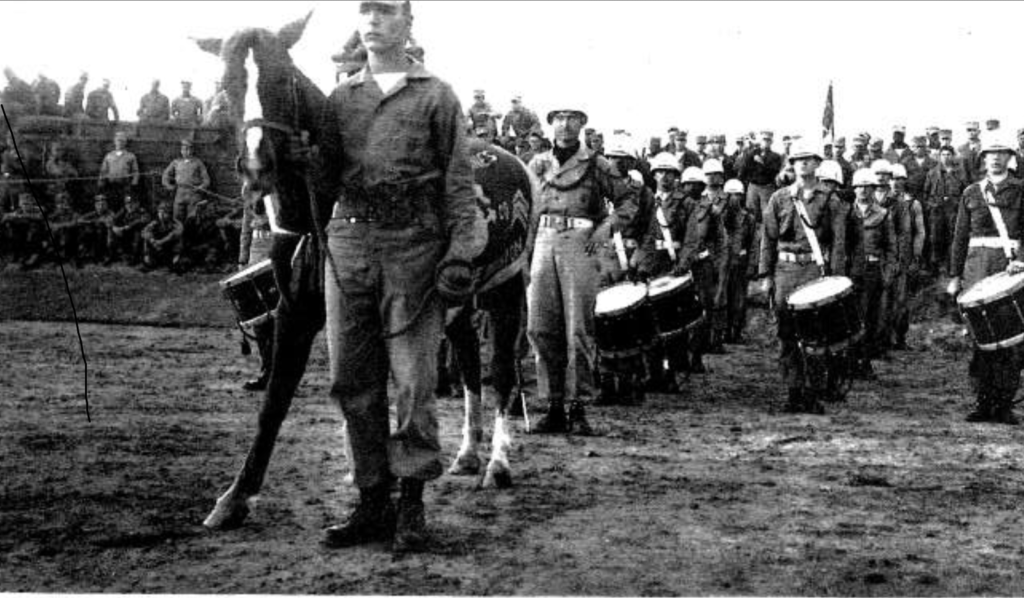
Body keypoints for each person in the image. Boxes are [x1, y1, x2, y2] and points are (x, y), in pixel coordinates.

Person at [317, 0, 487, 554]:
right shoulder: (339, 99)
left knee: (414, 379)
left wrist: (460, 253)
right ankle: (372, 500)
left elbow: (459, 185)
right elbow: (319, 181)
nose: (374, 20)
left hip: (413, 246)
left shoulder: (436, 95)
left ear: (408, 24)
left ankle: (410, 502)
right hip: (348, 245)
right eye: (366, 10)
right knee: (351, 379)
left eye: (387, 10)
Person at [525, 102, 637, 434]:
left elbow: (628, 201)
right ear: (550, 125)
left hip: (580, 243)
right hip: (543, 242)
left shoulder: (597, 164)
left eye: (572, 118)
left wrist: (606, 228)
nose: (565, 124)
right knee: (541, 326)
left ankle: (578, 407)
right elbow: (525, 204)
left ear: (582, 124)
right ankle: (553, 404)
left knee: (578, 328)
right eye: (559, 118)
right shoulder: (538, 163)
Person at [759, 142, 848, 414]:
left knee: (815, 337)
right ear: (792, 164)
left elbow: (839, 242)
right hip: (785, 271)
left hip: (814, 270)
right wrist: (766, 275)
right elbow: (768, 238)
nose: (803, 164)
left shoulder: (829, 199)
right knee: (786, 334)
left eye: (808, 160)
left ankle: (813, 392)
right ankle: (793, 391)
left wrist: (835, 278)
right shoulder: (779, 198)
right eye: (798, 160)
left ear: (817, 163)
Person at [948, 135, 1024, 425]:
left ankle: (1003, 404)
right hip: (976, 268)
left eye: (1001, 153)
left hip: (1010, 268)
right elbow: (959, 237)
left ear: (1010, 157)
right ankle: (983, 402)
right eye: (989, 154)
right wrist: (955, 275)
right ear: (982, 159)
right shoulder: (971, 192)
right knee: (980, 339)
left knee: (1011, 340)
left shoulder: (1020, 190)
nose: (995, 158)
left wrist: (1021, 259)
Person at [633, 153, 694, 391]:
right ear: (654, 174)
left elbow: (692, 238)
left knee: (674, 325)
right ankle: (654, 372)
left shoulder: (686, 203)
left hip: (674, 266)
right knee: (650, 323)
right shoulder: (647, 201)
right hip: (652, 265)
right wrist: (640, 265)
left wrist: (683, 264)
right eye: (660, 172)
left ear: (677, 177)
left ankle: (673, 374)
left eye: (670, 173)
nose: (664, 177)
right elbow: (642, 236)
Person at [846, 168, 896, 378]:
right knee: (850, 318)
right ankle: (848, 363)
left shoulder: (883, 214)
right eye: (859, 186)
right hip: (850, 272)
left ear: (873, 189)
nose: (863, 191)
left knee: (869, 318)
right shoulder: (847, 213)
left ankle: (864, 363)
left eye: (867, 187)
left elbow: (891, 248)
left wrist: (887, 274)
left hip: (872, 271)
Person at [236, 185, 274, 391]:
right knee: (257, 318)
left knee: (276, 318)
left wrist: (267, 220)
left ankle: (276, 373)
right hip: (254, 259)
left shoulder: (279, 191)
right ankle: (266, 369)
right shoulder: (250, 191)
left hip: (276, 257)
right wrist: (242, 260)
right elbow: (246, 228)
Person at [887, 164, 926, 350]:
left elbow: (920, 232)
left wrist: (916, 256)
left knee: (901, 299)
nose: (896, 182)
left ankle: (900, 337)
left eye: (899, 179)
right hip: (886, 257)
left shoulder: (913, 204)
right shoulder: (882, 202)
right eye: (892, 178)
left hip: (905, 256)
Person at [925, 145, 968, 275]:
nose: (946, 157)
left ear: (953, 156)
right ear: (939, 156)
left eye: (948, 154)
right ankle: (935, 267)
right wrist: (931, 206)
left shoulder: (960, 173)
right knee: (935, 238)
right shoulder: (932, 173)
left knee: (952, 238)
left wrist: (958, 207)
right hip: (937, 211)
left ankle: (951, 267)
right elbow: (926, 193)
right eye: (943, 155)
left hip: (953, 211)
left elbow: (965, 192)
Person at [722, 178, 755, 343]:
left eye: (737, 195)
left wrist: (751, 265)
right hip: (723, 263)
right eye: (730, 195)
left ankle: (737, 331)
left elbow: (753, 244)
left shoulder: (748, 218)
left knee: (739, 300)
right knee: (723, 298)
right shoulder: (719, 216)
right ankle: (724, 331)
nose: (733, 199)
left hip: (740, 263)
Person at [162, 138, 211, 222]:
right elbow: (165, 175)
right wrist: (168, 186)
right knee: (177, 218)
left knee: (192, 219)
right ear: (181, 150)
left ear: (192, 150)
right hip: (180, 192)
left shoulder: (198, 163)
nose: (187, 152)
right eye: (184, 149)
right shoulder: (176, 162)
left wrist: (200, 187)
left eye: (189, 149)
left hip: (193, 194)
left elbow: (206, 180)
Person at [1, 192, 45, 268]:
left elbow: (40, 216)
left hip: (37, 232)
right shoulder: (19, 211)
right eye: (23, 204)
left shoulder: (38, 209)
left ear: (32, 202)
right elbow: (7, 217)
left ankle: (32, 256)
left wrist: (24, 216)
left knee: (32, 233)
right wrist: (9, 217)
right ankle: (18, 257)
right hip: (23, 231)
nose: (25, 206)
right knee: (16, 232)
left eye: (27, 203)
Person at [98, 131, 139, 209]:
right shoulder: (109, 156)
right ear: (115, 141)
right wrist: (101, 183)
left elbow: (135, 171)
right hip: (111, 186)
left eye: (122, 140)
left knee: (125, 205)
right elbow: (103, 171)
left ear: (125, 142)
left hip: (125, 186)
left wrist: (134, 183)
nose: (120, 142)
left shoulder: (131, 156)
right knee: (111, 204)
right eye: (118, 140)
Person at [108, 194, 151, 265]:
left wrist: (127, 226)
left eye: (132, 203)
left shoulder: (142, 211)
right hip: (126, 233)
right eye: (127, 203)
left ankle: (135, 257)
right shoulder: (124, 210)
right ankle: (113, 255)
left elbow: (142, 220)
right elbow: (113, 219)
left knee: (137, 233)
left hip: (138, 235)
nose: (129, 205)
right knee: (111, 231)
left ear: (137, 203)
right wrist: (114, 227)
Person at [141, 201, 183, 272]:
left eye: (164, 212)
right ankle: (149, 259)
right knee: (147, 240)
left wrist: (161, 242)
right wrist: (152, 240)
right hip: (158, 248)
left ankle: (175, 261)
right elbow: (144, 232)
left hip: (169, 248)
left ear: (169, 213)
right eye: (160, 212)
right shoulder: (155, 223)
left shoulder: (176, 223)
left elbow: (175, 234)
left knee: (178, 241)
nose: (162, 215)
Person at [77, 194, 115, 264]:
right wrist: (91, 222)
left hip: (107, 236)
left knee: (100, 230)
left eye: (103, 204)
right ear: (95, 205)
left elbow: (109, 223)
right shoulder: (93, 213)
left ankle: (103, 256)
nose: (100, 207)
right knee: (87, 231)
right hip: (94, 236)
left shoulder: (110, 213)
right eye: (98, 204)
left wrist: (96, 222)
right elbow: (79, 220)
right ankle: (86, 254)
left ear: (106, 205)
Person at [48, 191, 80, 265]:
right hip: (58, 234)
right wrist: (53, 226)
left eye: (65, 202)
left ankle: (72, 257)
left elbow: (74, 222)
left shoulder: (73, 212)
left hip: (71, 235)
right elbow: (48, 222)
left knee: (70, 233)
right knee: (53, 235)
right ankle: (57, 256)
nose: (62, 205)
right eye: (60, 203)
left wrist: (60, 225)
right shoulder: (55, 213)